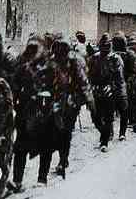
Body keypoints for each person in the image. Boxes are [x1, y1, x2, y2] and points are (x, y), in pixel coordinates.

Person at [39, 34, 94, 181]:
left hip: (70, 104)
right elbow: (42, 81)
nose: (59, 55)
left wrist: (87, 102)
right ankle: (42, 176)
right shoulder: (50, 63)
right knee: (47, 138)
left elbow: (84, 84)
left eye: (62, 52)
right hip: (53, 104)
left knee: (65, 134)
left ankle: (63, 161)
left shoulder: (75, 63)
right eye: (57, 52)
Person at [9, 35, 48, 193]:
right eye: (30, 48)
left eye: (35, 49)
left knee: (45, 144)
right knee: (20, 146)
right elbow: (14, 83)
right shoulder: (21, 63)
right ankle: (17, 181)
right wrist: (15, 99)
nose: (32, 52)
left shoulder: (49, 64)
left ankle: (42, 178)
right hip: (24, 110)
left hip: (44, 110)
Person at [89, 33, 125, 152]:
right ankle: (105, 133)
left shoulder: (115, 58)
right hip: (96, 90)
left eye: (108, 45)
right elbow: (89, 75)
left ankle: (104, 141)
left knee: (108, 117)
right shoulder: (94, 58)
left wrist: (117, 91)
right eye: (103, 45)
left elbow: (119, 78)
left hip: (110, 91)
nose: (105, 48)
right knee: (96, 117)